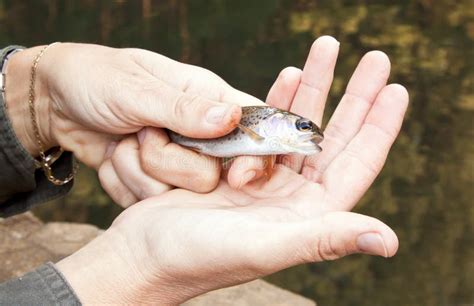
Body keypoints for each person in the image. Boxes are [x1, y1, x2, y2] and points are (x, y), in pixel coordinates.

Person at [0, 36, 408, 304]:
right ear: (274, 123)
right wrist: (134, 267)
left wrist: (39, 99)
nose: (307, 133)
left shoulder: (267, 136)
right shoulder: (256, 123)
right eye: (300, 126)